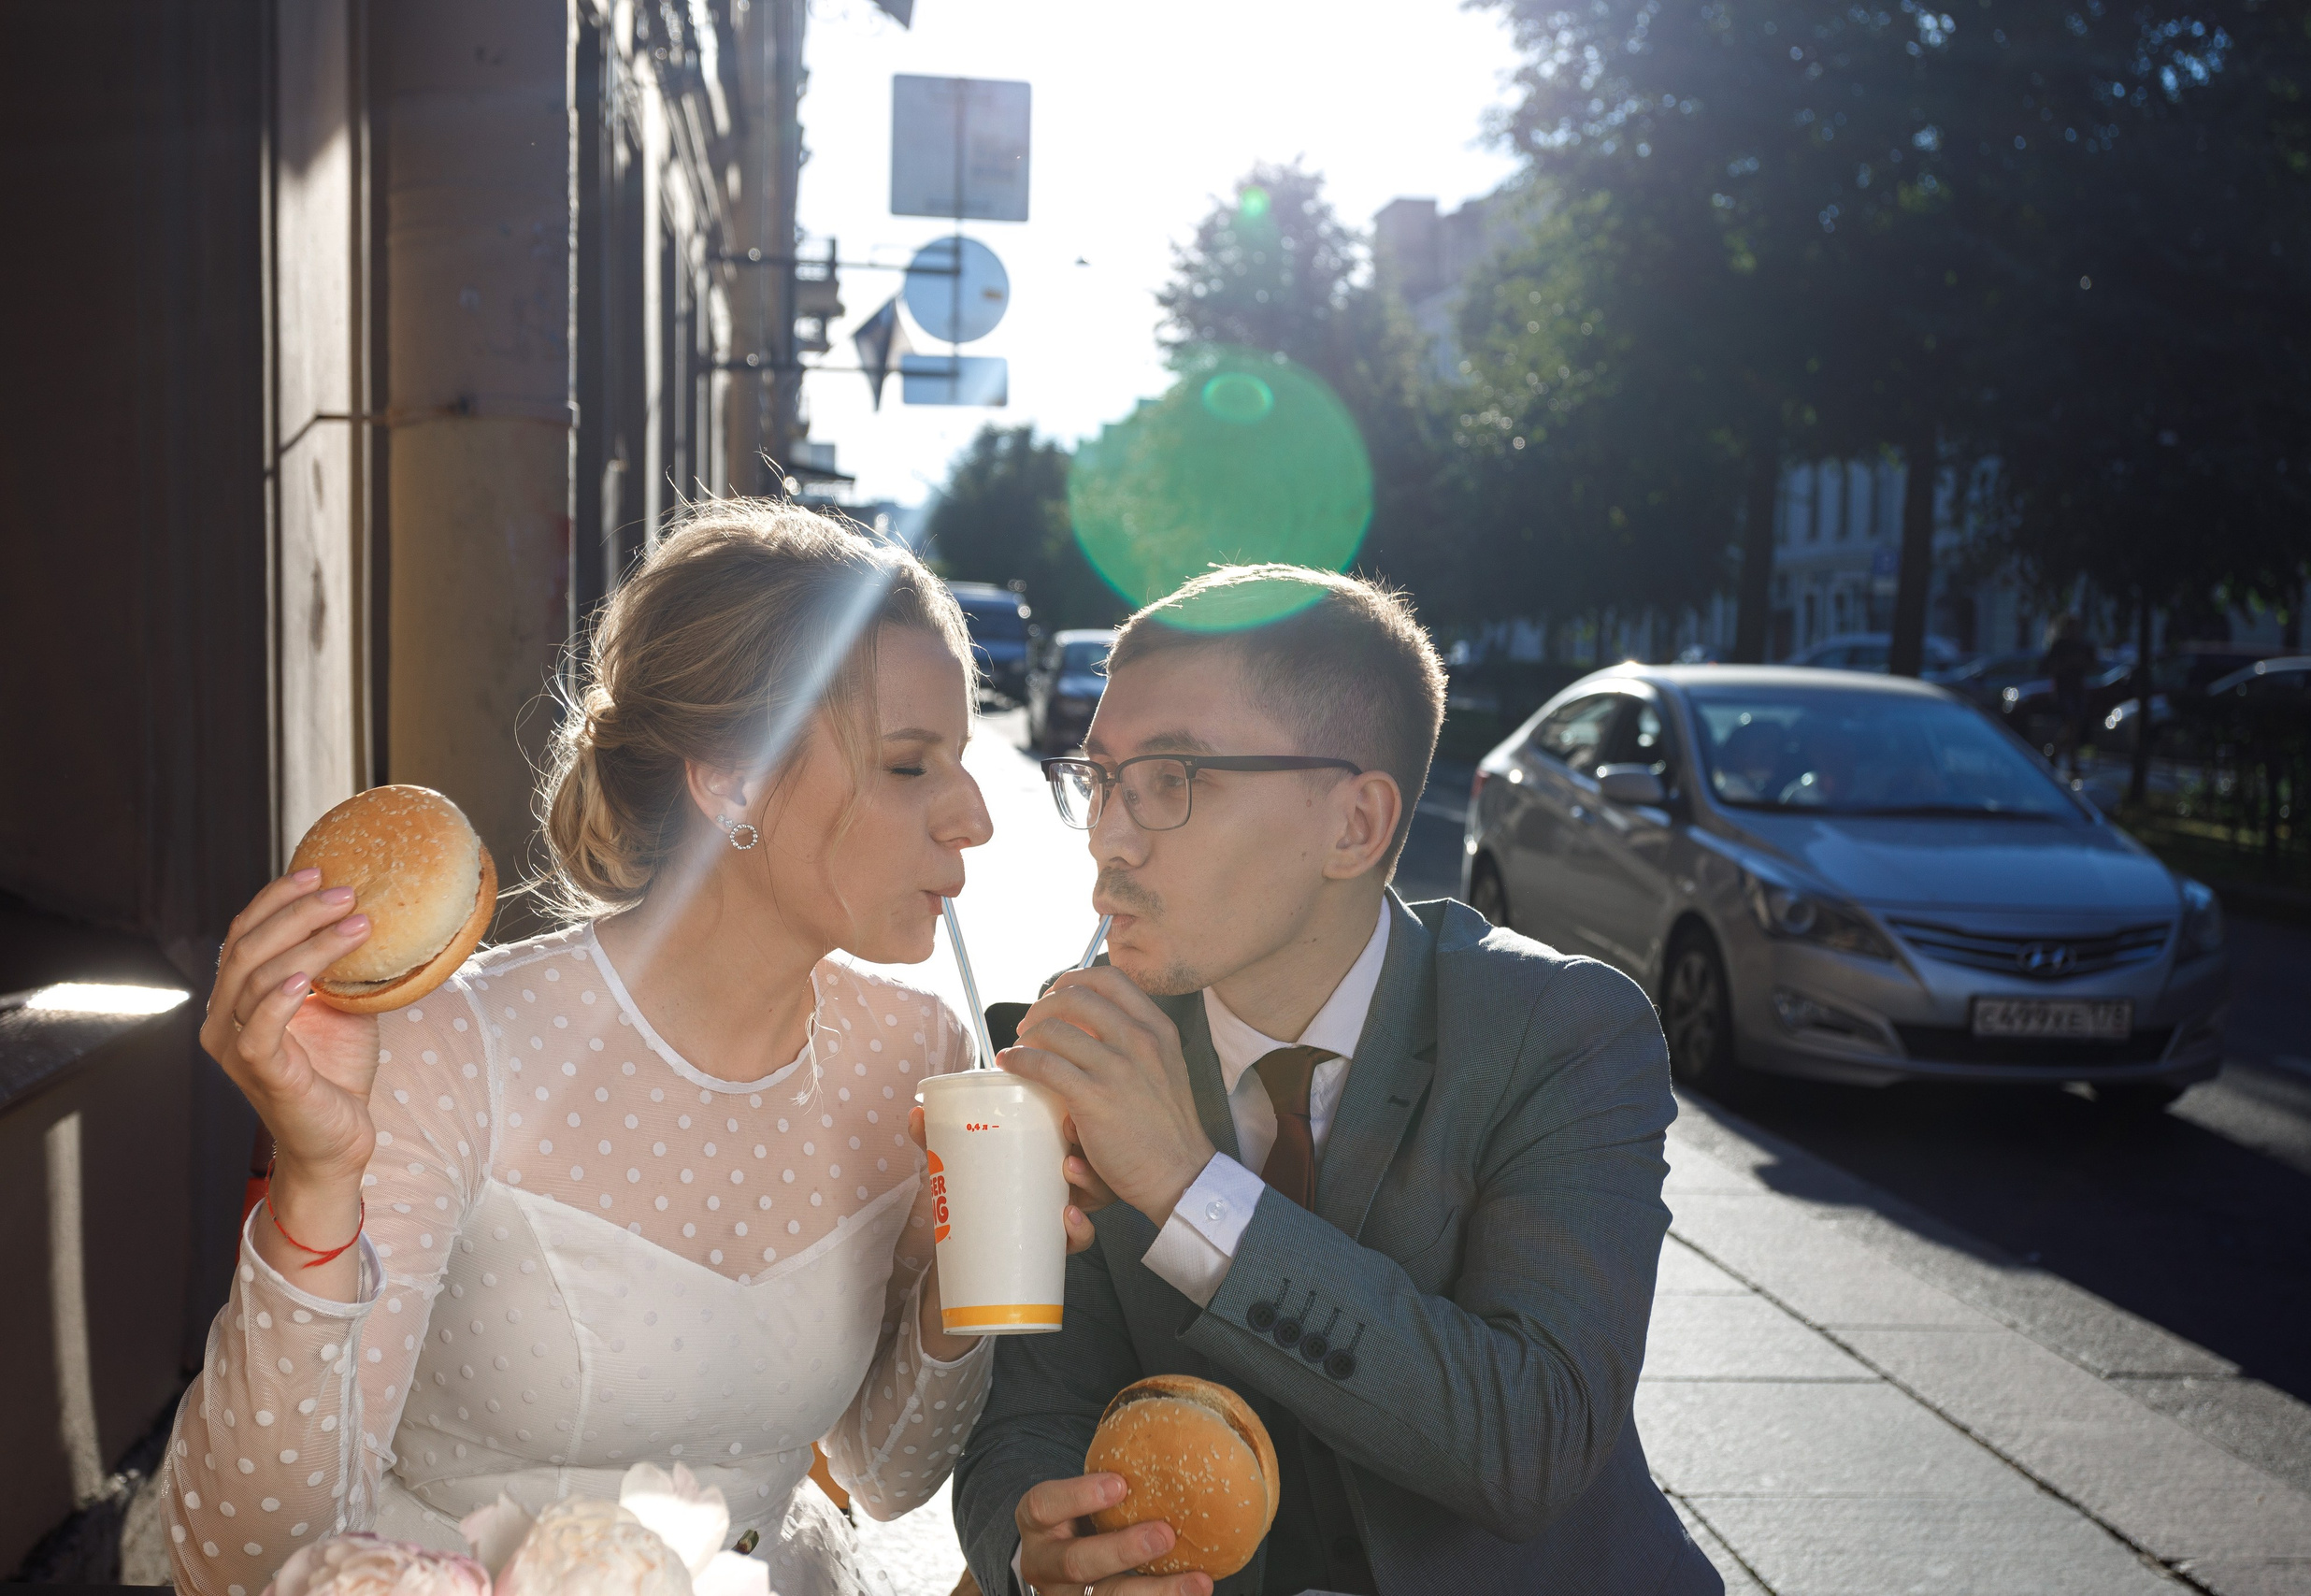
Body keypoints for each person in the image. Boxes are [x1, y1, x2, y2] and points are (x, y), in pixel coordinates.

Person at [165, 502, 1098, 1596]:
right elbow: (246, 1560)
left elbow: (885, 1477)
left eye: (959, 761)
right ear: (733, 778)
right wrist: (317, 1182)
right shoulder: (451, 1048)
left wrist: (959, 1287)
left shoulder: (915, 1050)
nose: (973, 817)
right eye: (908, 765)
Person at [954, 567, 1719, 1595]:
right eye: (1100, 779)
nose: (1108, 836)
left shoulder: (1562, 1030)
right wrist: (1038, 1549)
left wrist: (1188, 1188)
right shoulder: (1099, 1035)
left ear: (1355, 825)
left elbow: (1534, 1441)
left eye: (1172, 779)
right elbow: (1030, 1413)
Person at [2040, 613, 2099, 777]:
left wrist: (2081, 662)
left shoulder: (2082, 644)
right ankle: (2067, 759)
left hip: (2077, 689)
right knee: (2071, 723)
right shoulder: (2061, 645)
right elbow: (2049, 666)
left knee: (2074, 726)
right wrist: (2066, 665)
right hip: (2064, 689)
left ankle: (2058, 753)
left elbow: (2092, 665)